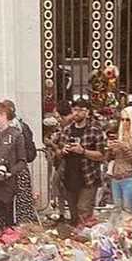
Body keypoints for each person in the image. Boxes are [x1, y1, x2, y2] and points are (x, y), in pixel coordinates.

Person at [54, 97, 105, 227]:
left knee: (84, 212)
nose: (76, 113)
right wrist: (63, 151)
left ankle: (86, 241)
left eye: (80, 110)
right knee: (74, 215)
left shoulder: (95, 130)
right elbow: (58, 153)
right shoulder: (67, 130)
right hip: (69, 177)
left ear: (87, 112)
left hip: (88, 178)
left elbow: (101, 155)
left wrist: (83, 151)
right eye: (74, 109)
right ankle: (76, 243)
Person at [0, 101, 27, 235]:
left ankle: (9, 242)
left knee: (8, 220)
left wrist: (10, 172)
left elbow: (22, 161)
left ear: (4, 115)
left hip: (7, 184)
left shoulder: (17, 135)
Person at [3, 99, 38, 225]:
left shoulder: (12, 128)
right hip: (21, 167)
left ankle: (13, 226)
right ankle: (23, 225)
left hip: (14, 167)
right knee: (22, 199)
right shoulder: (22, 125)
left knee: (13, 199)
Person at [106, 105, 132, 213]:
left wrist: (124, 148)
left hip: (129, 178)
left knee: (129, 211)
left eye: (127, 120)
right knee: (117, 210)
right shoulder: (119, 136)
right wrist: (110, 149)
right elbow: (109, 158)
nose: (124, 122)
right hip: (116, 177)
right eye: (122, 119)